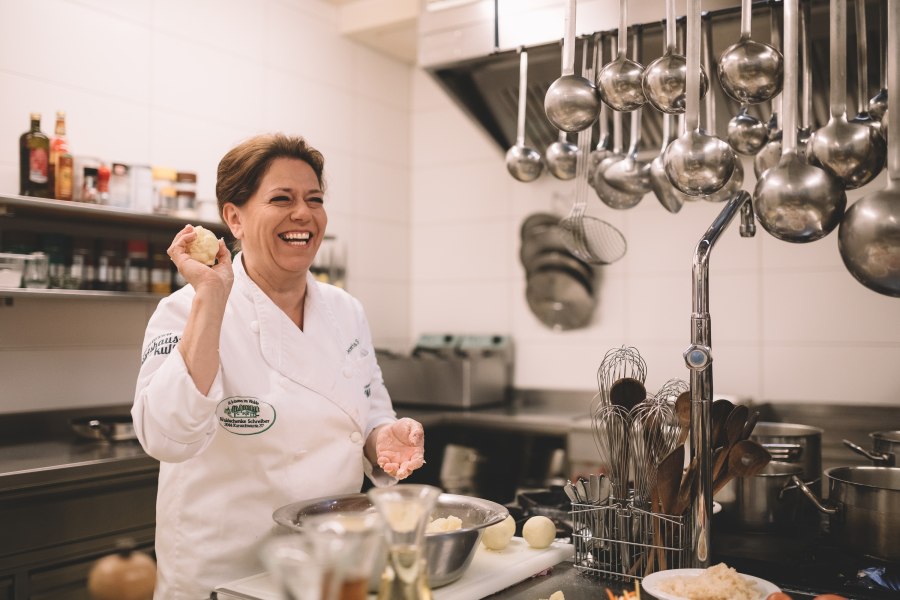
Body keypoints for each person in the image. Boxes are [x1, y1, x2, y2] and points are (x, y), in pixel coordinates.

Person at [132, 133, 425, 599]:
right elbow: (166, 436)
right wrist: (210, 298)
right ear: (235, 218)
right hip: (227, 576)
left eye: (315, 199)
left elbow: (369, 408)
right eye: (281, 199)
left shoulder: (346, 309)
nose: (303, 214)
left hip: (332, 566)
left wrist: (380, 438)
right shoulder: (184, 310)